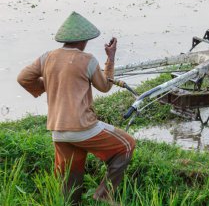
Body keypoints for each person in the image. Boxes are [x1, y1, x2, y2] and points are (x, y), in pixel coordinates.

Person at [17, 12, 135, 205]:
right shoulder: (87, 59)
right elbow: (105, 87)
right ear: (84, 40)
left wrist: (48, 84)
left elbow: (23, 78)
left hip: (57, 131)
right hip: (83, 128)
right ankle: (103, 195)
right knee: (127, 144)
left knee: (72, 175)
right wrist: (110, 58)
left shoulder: (47, 57)